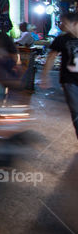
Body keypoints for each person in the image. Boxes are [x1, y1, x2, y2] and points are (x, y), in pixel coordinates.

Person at [41, 12, 78, 140]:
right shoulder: (62, 39)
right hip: (70, 81)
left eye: (64, 23)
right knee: (76, 111)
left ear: (75, 24)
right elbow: (51, 57)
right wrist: (44, 76)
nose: (61, 26)